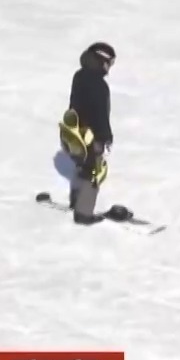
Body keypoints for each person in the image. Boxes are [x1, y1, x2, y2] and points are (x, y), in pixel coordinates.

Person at [59, 43, 115, 225]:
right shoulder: (99, 85)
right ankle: (83, 213)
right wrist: (106, 137)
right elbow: (100, 114)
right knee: (94, 170)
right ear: (102, 61)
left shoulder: (79, 76)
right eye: (109, 63)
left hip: (72, 132)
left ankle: (76, 202)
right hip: (89, 136)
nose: (109, 67)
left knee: (82, 166)